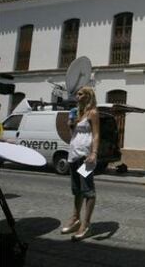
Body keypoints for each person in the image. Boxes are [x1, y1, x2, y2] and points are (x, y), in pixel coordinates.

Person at [61, 86, 100, 241]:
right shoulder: (77, 113)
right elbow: (74, 136)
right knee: (77, 190)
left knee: (88, 191)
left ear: (88, 96)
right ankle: (75, 219)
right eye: (77, 94)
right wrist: (71, 125)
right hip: (73, 155)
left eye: (80, 94)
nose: (77, 96)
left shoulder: (93, 113)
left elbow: (96, 135)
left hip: (86, 157)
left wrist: (94, 154)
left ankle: (86, 224)